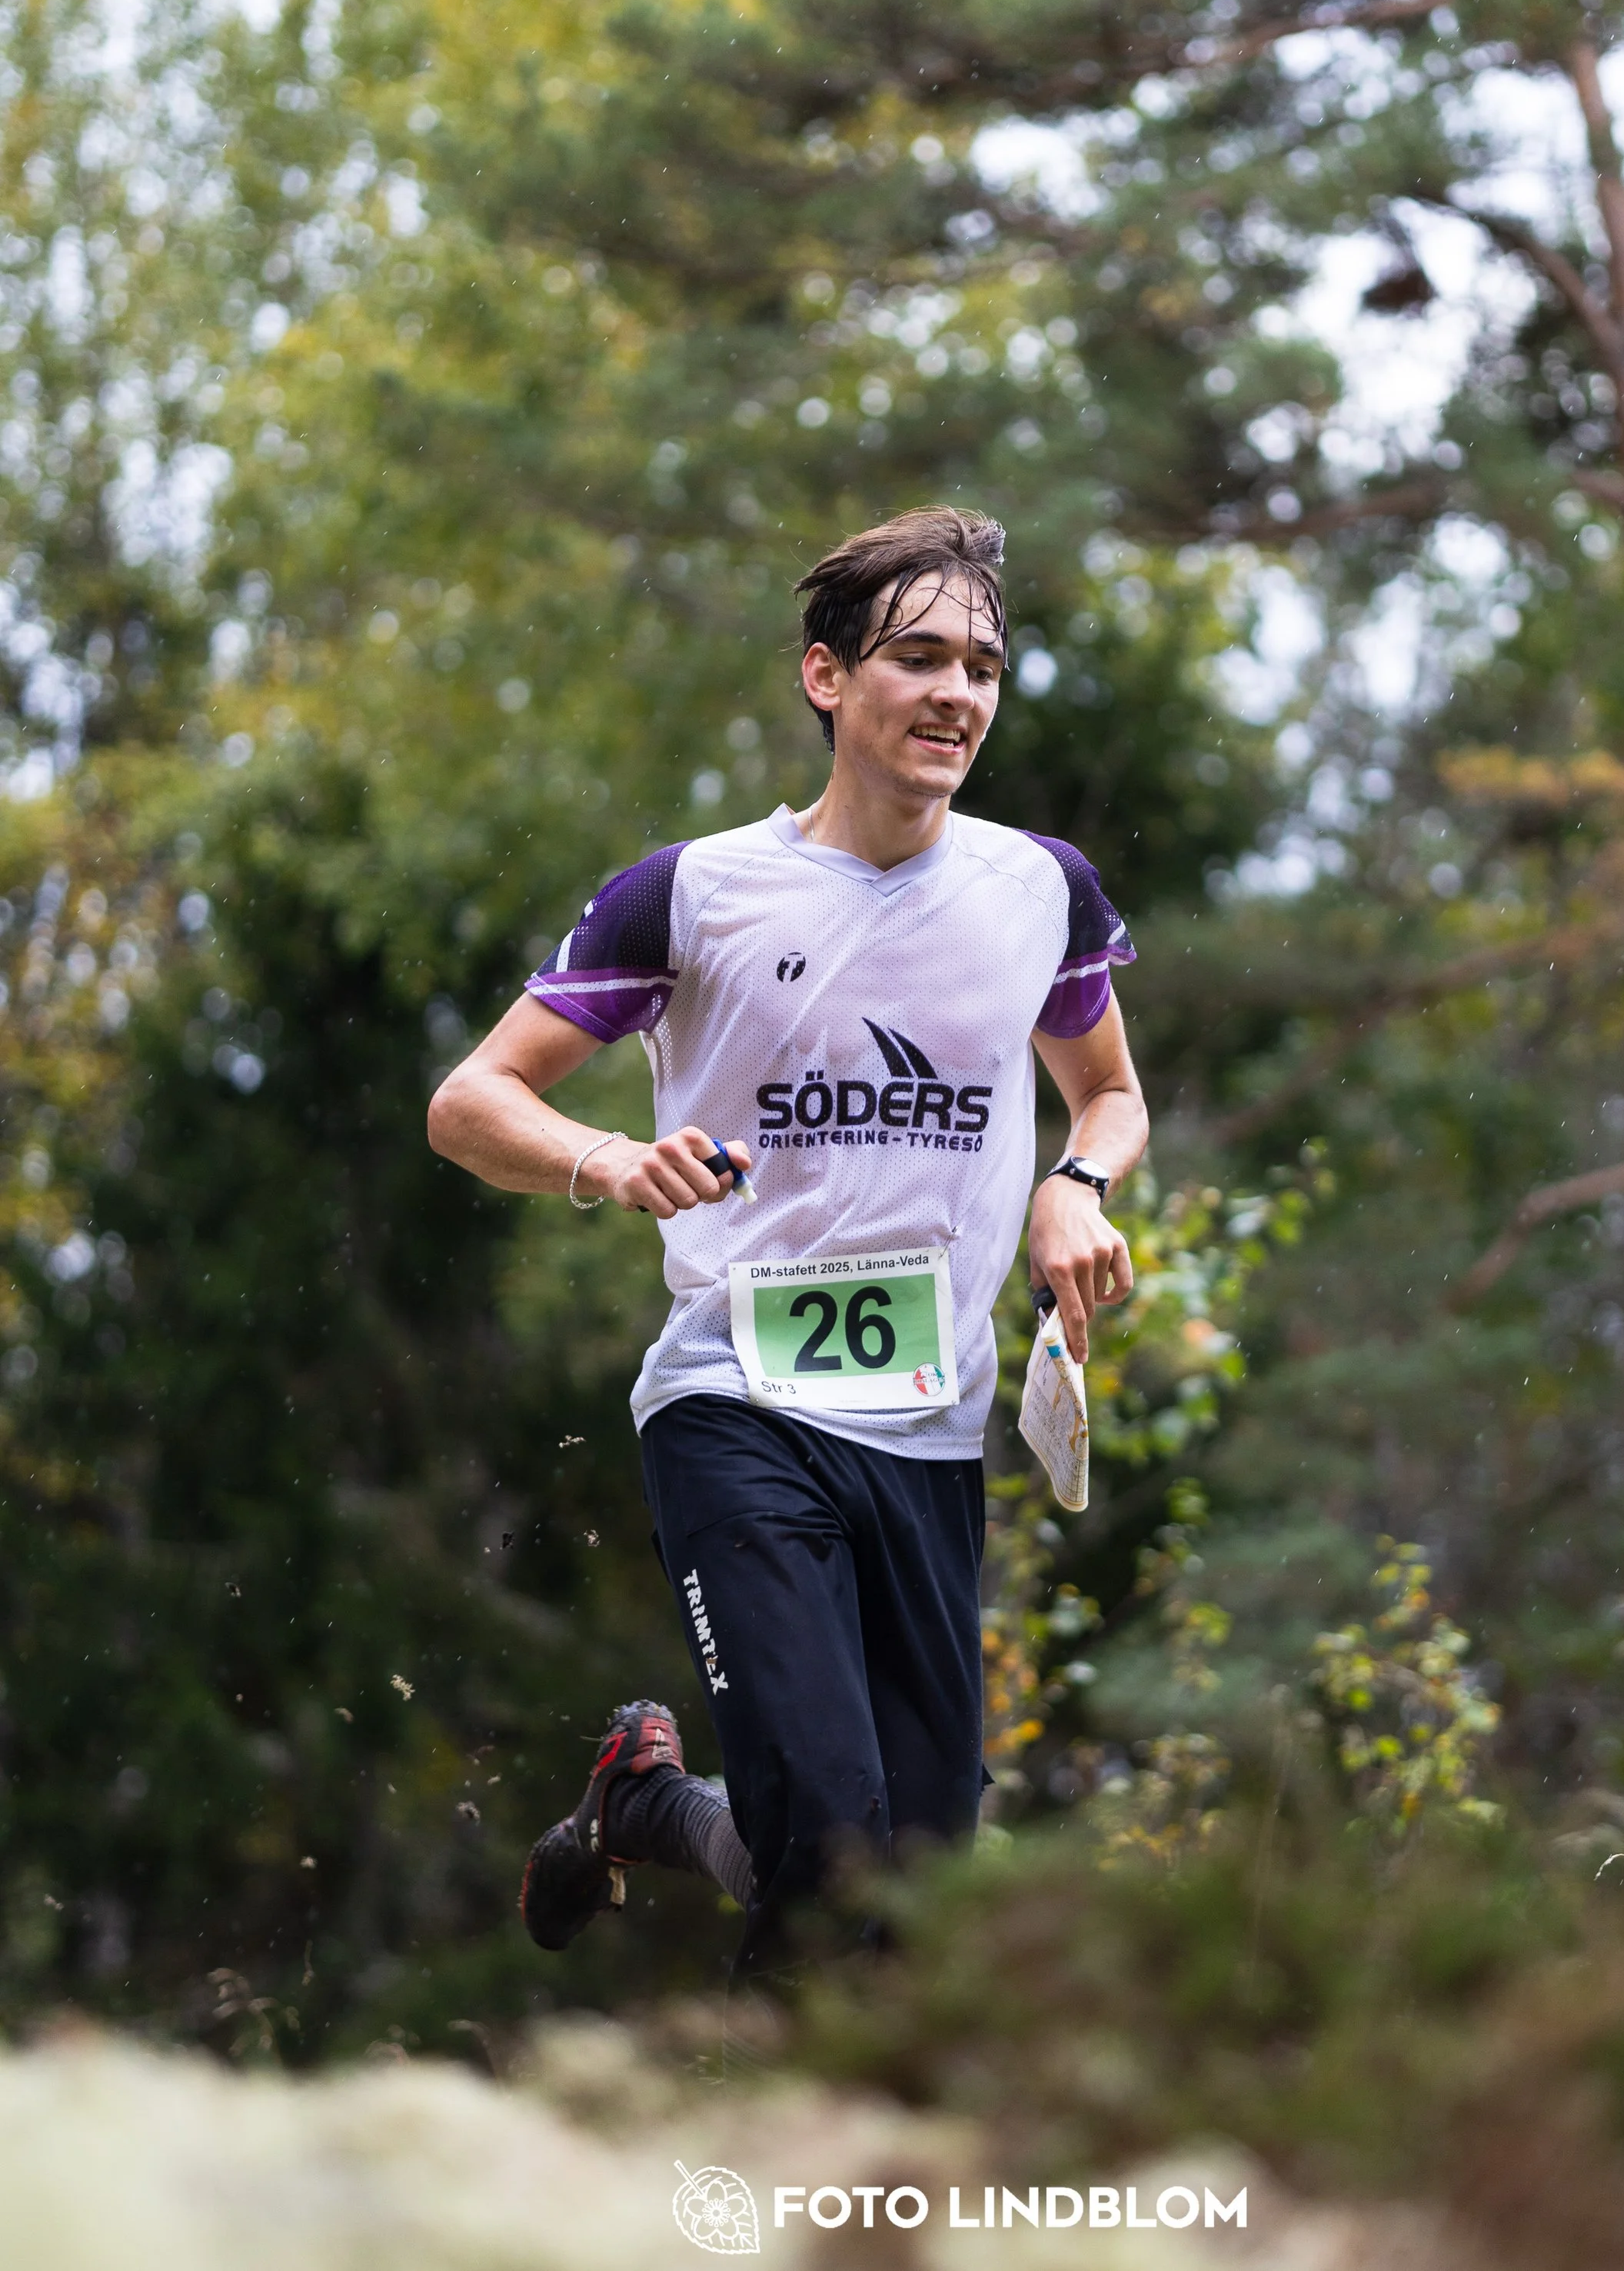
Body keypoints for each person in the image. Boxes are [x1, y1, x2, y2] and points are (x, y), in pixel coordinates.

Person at [426, 505, 1148, 1976]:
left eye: (983, 668)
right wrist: (608, 1160)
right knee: (826, 1837)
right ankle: (767, 2126)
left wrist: (1075, 1183)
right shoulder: (691, 894)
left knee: (906, 1894)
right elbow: (470, 1103)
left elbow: (1111, 1092)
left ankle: (646, 1805)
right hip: (738, 1404)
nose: (957, 694)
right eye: (919, 658)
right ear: (827, 677)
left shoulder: (1039, 891)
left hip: (930, 1431)